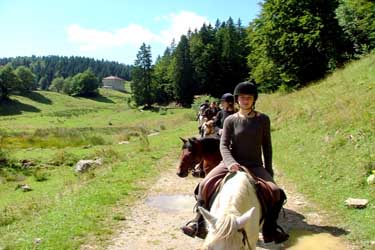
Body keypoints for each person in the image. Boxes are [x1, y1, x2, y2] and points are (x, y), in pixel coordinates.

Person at [181, 81, 289, 243]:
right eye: (242, 97)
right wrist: (230, 162)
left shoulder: (263, 120)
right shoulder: (230, 120)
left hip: (254, 164)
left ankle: (270, 229)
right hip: (230, 162)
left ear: (254, 100)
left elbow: (267, 146)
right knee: (204, 185)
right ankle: (199, 223)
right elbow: (223, 145)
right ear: (237, 99)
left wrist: (268, 169)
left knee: (275, 192)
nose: (245, 100)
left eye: (249, 97)